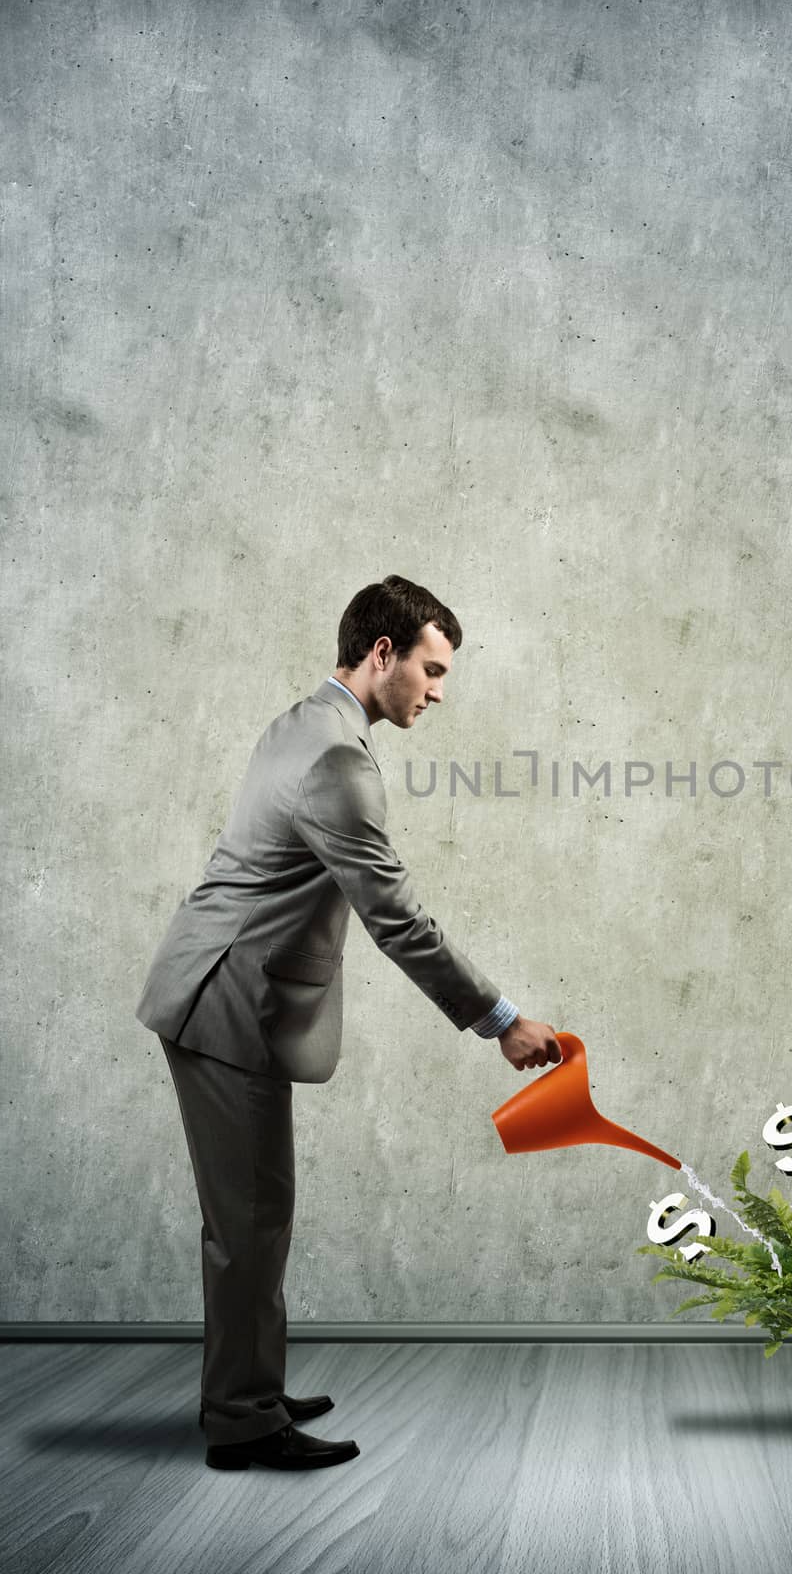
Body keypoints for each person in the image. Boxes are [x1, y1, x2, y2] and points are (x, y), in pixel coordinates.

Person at [137, 575, 561, 1472]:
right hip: (227, 1001)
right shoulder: (338, 761)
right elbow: (397, 917)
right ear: (383, 655)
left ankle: (246, 1384)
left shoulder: (303, 721)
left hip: (219, 987)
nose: (438, 691)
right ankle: (244, 1422)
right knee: (251, 1222)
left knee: (254, 1215)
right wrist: (502, 1021)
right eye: (432, 670)